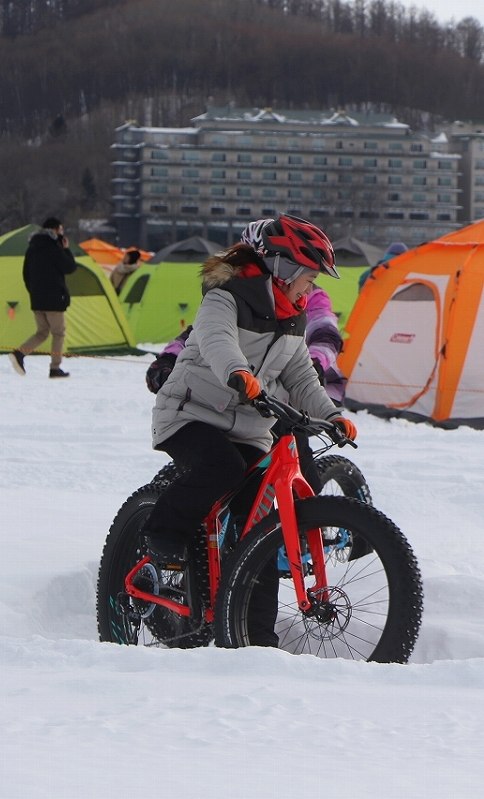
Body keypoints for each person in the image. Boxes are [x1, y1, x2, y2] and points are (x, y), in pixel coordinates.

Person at [144, 216, 358, 649]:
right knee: (220, 467)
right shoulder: (225, 299)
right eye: (307, 278)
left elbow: (301, 377)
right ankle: (161, 532)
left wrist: (330, 414)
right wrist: (239, 373)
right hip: (191, 414)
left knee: (258, 534)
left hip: (249, 429)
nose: (309, 289)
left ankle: (255, 641)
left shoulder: (292, 317)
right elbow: (218, 342)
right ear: (279, 268)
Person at [146, 284, 348, 404]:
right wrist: (169, 358)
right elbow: (207, 331)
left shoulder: (308, 294)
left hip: (302, 391)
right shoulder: (243, 293)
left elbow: (326, 334)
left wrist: (314, 363)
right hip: (244, 388)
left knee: (290, 452)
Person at [9, 217, 77, 378]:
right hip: (53, 299)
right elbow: (70, 267)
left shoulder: (32, 249)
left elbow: (26, 274)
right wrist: (66, 249)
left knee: (42, 332)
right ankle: (55, 367)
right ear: (54, 230)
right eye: (61, 230)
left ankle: (19, 354)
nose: (62, 233)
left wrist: (33, 291)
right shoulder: (54, 249)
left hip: (37, 299)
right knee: (58, 333)